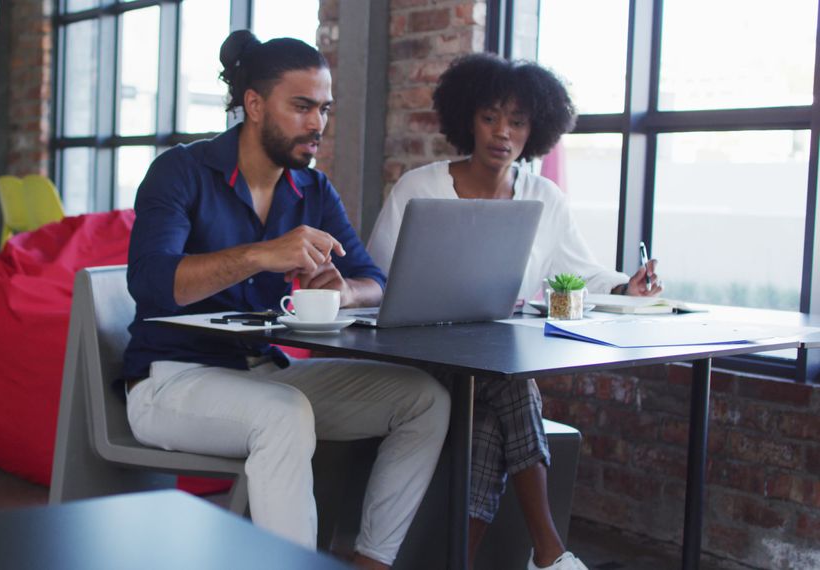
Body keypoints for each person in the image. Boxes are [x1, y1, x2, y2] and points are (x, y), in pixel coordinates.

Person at [122, 30, 450, 570]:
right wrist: (260, 254)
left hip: (264, 376)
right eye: (301, 107)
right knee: (284, 414)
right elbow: (154, 282)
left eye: (323, 109)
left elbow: (377, 281)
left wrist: (345, 293)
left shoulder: (313, 192)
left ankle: (372, 560)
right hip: (171, 380)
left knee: (425, 398)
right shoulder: (181, 172)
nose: (317, 123)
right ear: (253, 104)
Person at [366, 53, 661, 570]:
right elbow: (376, 284)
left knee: (495, 403)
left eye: (518, 121)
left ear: (536, 129)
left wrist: (626, 285)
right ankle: (549, 552)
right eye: (490, 117)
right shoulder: (420, 188)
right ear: (467, 120)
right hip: (416, 356)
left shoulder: (544, 196)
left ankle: (466, 561)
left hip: (490, 365)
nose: (503, 132)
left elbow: (583, 272)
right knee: (509, 377)